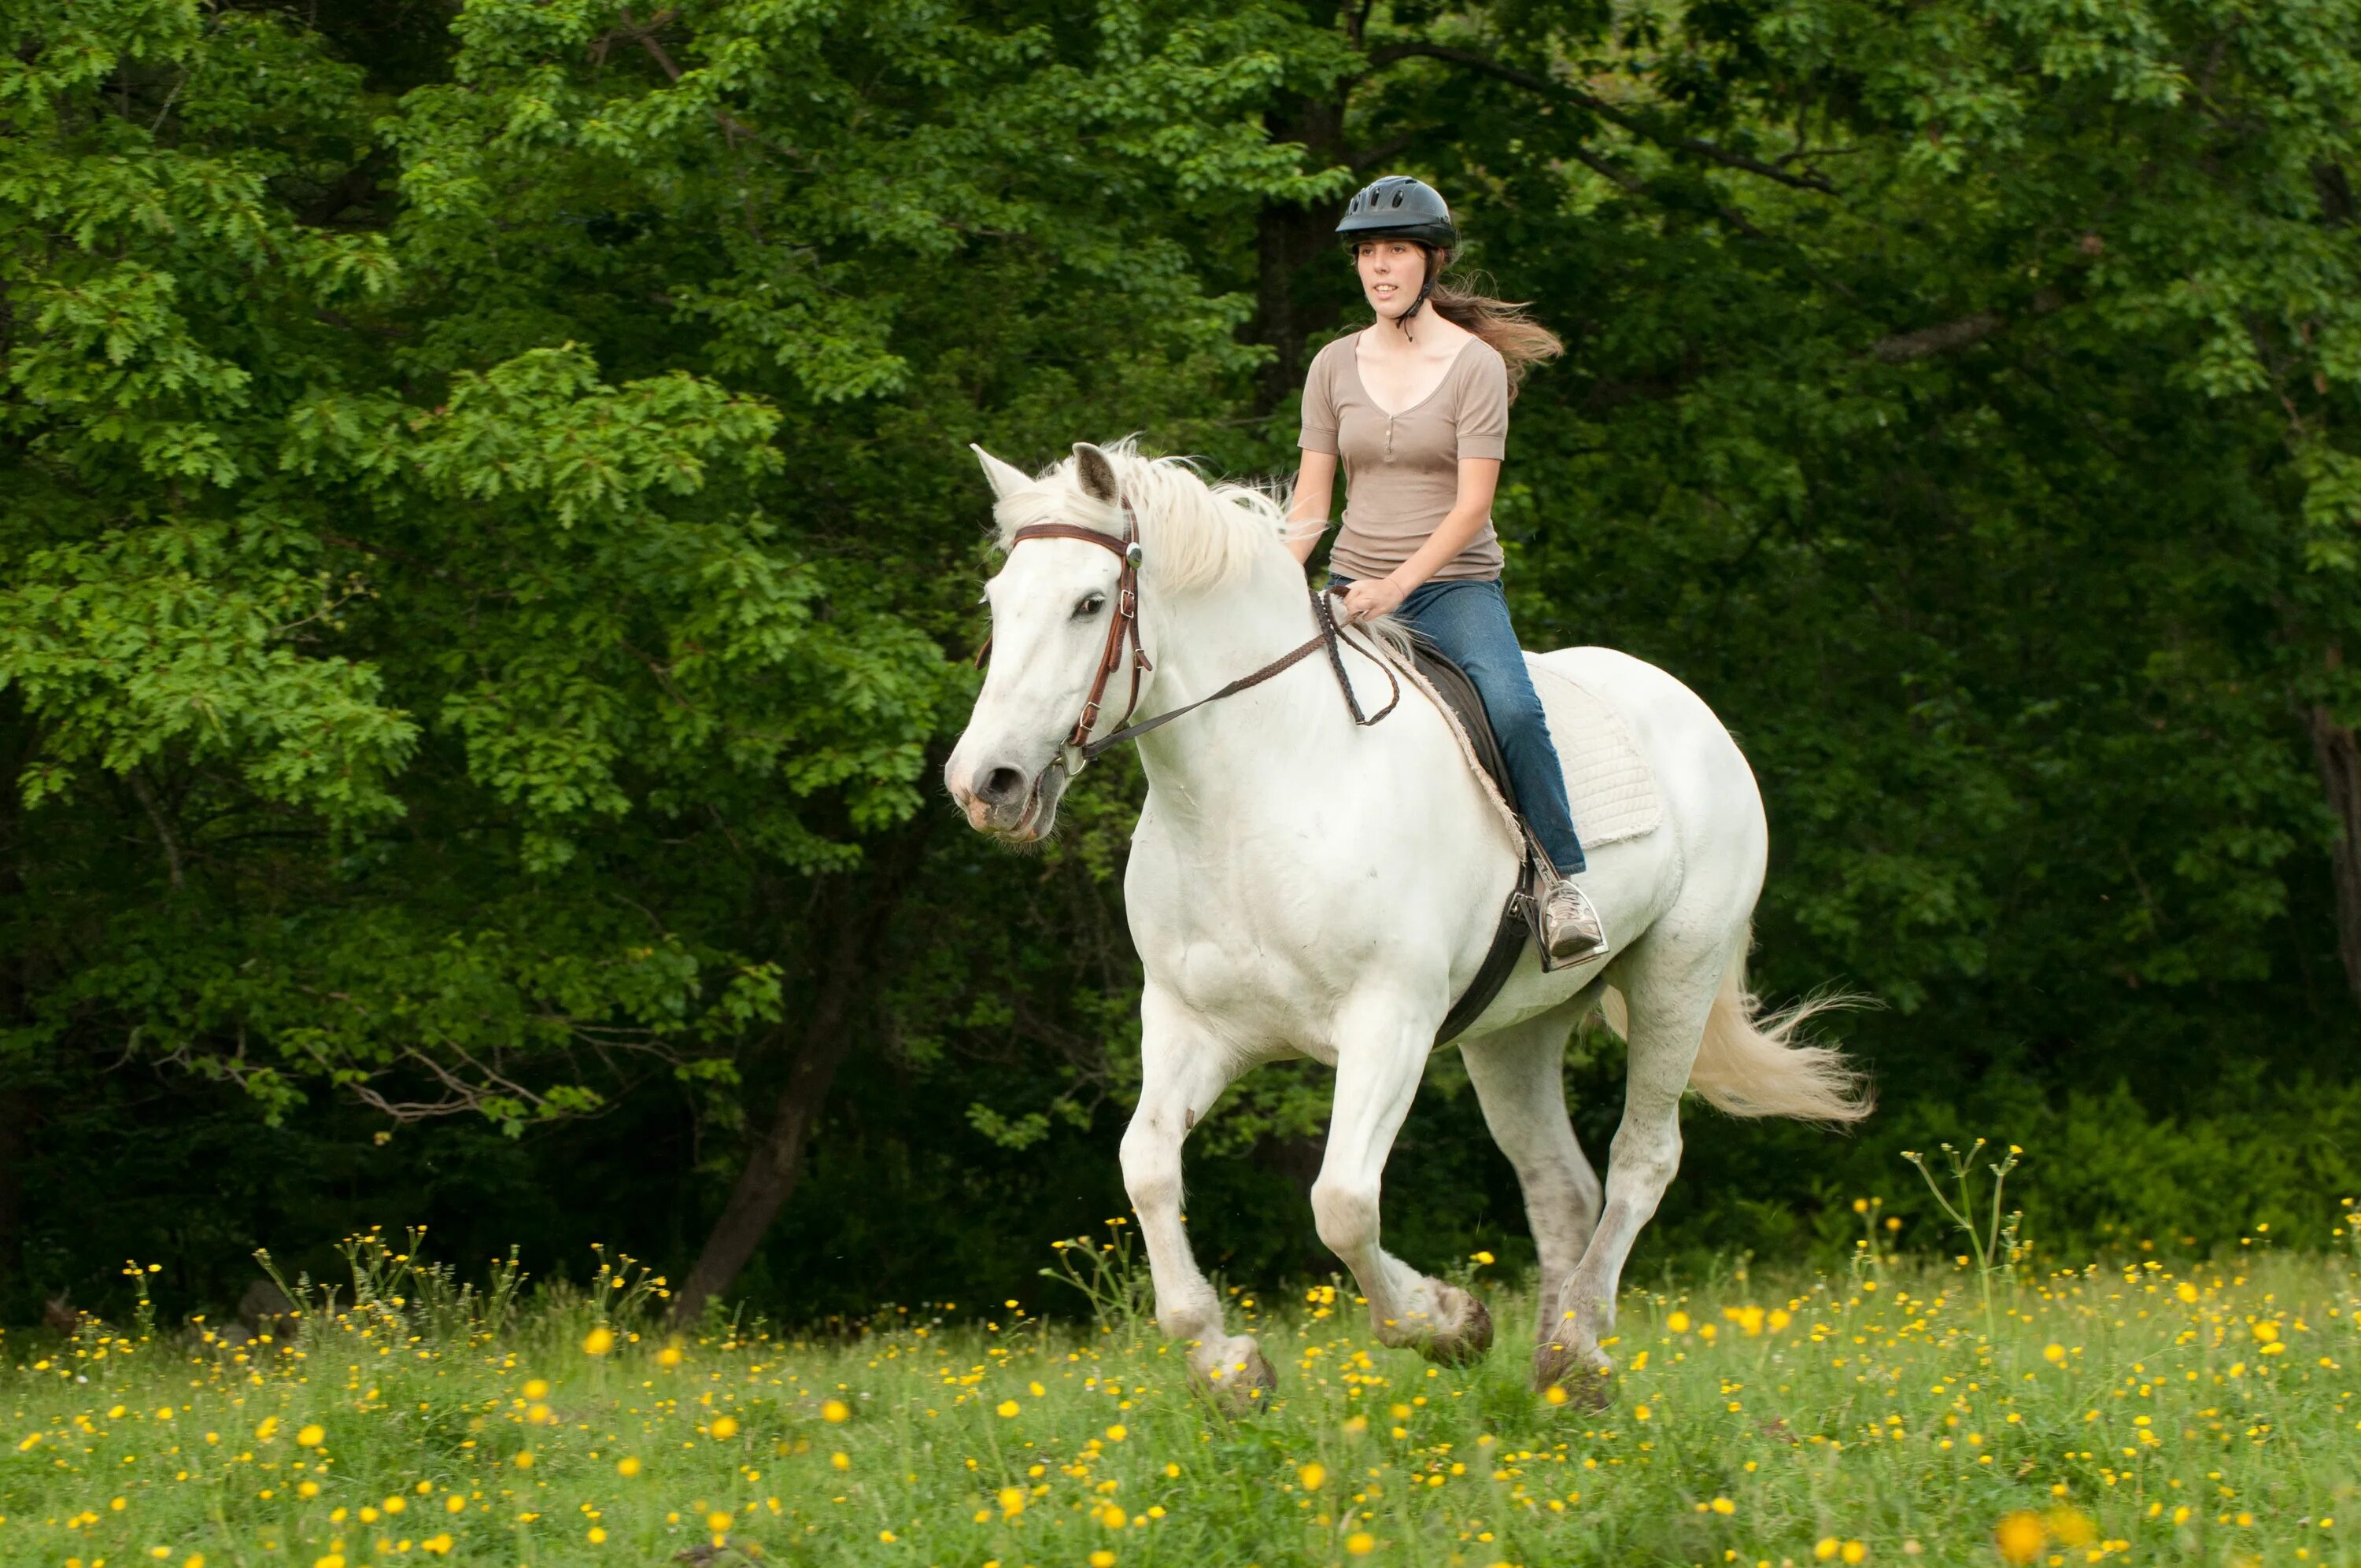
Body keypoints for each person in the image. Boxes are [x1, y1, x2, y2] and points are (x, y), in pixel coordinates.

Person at [1287, 174, 1608, 965]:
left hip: (1450, 590)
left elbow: (1470, 508)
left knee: (1514, 707)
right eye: (1367, 253)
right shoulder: (1332, 365)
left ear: (1432, 262)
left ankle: (1556, 879)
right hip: (1350, 587)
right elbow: (1309, 506)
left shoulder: (1474, 368)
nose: (1380, 268)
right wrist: (1267, 583)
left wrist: (1397, 587)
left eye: (1396, 251)